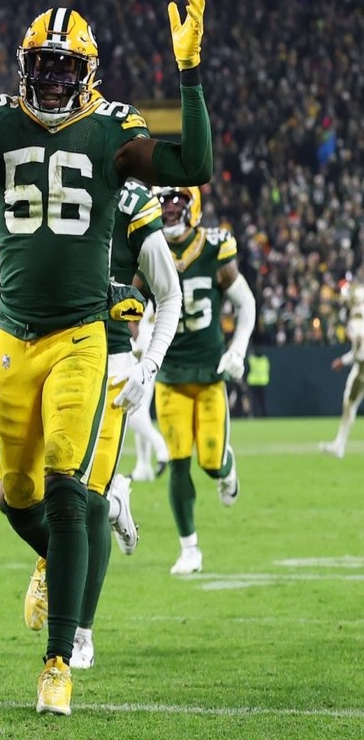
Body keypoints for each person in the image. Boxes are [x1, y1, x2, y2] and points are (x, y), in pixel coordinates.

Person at [0, 0, 212, 715]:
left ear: (89, 74)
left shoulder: (109, 129)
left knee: (68, 489)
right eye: (46, 67)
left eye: (68, 69)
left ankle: (58, 660)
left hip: (80, 337)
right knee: (13, 497)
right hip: (12, 341)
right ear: (26, 66)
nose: (56, 80)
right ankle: (64, 560)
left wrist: (189, 74)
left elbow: (192, 161)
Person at [70, 181, 181, 669]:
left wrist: (149, 364)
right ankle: (118, 496)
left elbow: (168, 294)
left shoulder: (132, 202)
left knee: (84, 500)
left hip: (112, 360)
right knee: (17, 492)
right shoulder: (45, 176)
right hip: (44, 355)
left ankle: (80, 633)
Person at [151, 185, 254, 575]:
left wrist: (237, 350)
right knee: (178, 462)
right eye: (163, 201)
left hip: (210, 375)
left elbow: (246, 304)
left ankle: (226, 469)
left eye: (177, 200)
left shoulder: (214, 247)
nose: (170, 208)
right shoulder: (150, 247)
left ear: (194, 205)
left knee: (209, 462)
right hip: (171, 376)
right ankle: (189, 548)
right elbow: (136, 307)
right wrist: (140, 353)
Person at [128, 304, 172, 480]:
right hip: (152, 351)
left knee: (131, 411)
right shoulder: (157, 288)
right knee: (141, 411)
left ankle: (161, 448)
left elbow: (131, 322)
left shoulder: (141, 284)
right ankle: (143, 467)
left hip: (142, 354)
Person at [320, 282, 364, 457]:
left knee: (349, 403)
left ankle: (340, 445)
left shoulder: (356, 320)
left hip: (362, 368)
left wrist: (344, 360)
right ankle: (339, 444)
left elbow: (359, 348)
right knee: (349, 404)